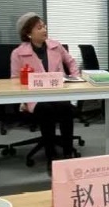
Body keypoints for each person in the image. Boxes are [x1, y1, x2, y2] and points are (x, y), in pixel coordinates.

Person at [9, 13, 79, 166]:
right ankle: (51, 156)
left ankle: (68, 153)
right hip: (34, 97)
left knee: (65, 108)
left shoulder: (56, 46)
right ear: (28, 33)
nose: (44, 30)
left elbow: (71, 62)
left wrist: (76, 79)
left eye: (44, 26)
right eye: (39, 27)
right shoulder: (18, 53)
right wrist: (23, 99)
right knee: (46, 109)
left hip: (58, 93)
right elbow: (14, 80)